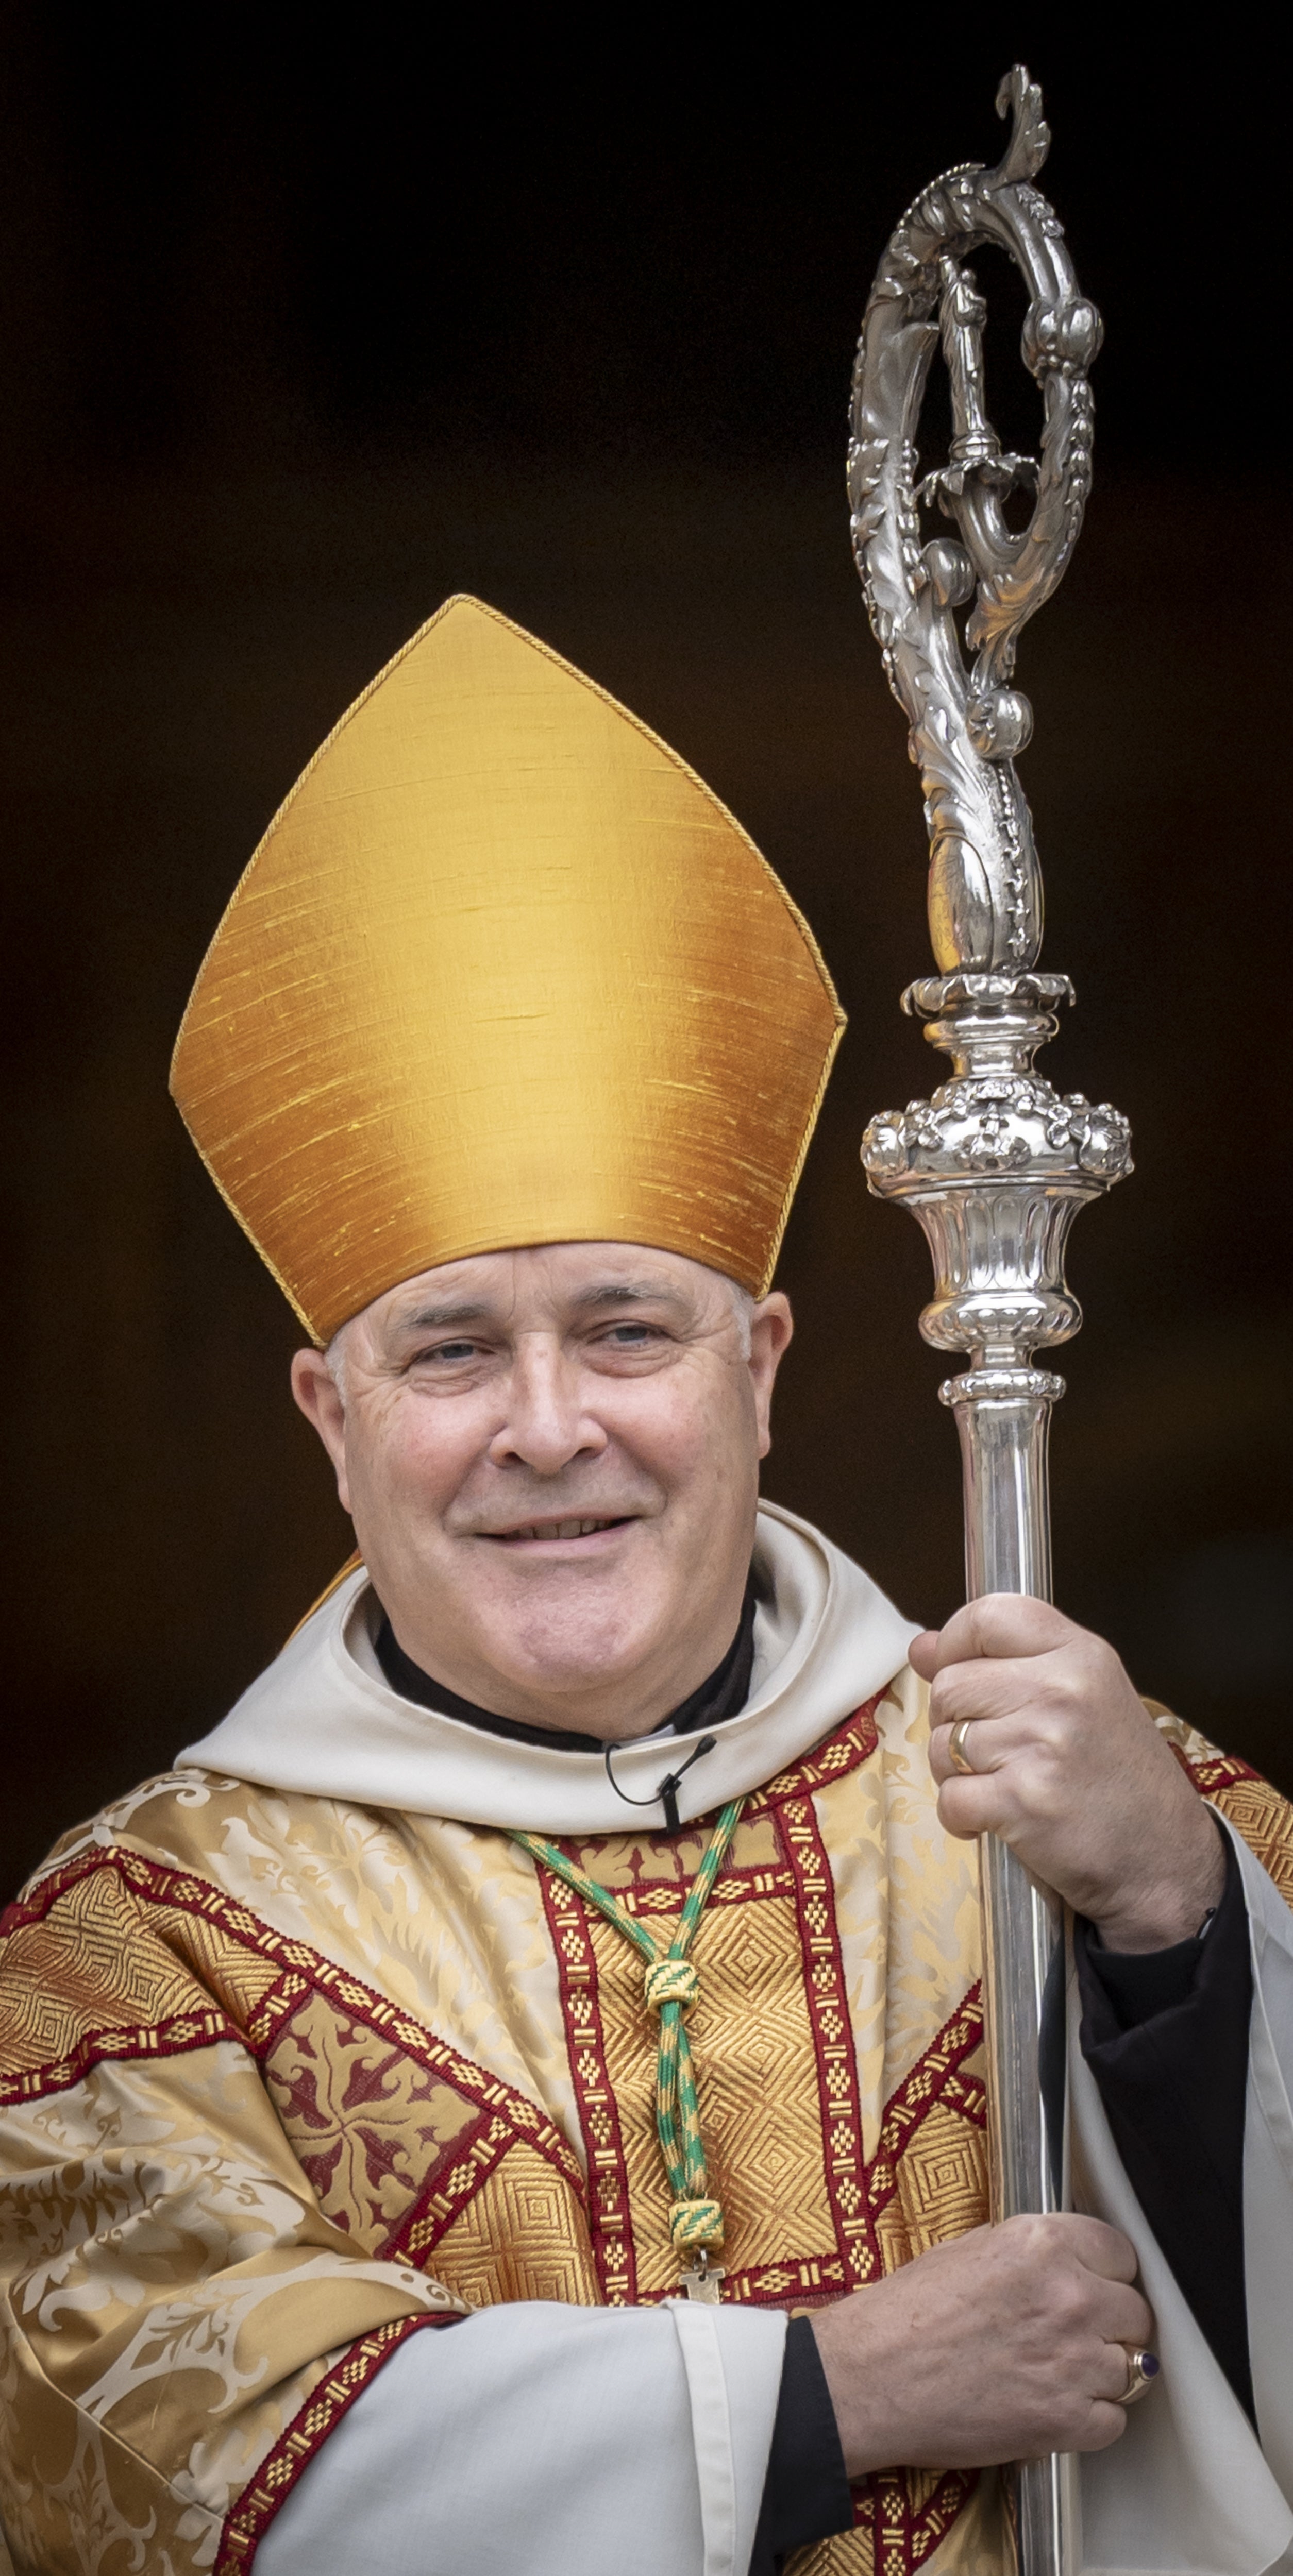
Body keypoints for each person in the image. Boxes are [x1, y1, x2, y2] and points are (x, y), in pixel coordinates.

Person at [2, 595, 1291, 2576]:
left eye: (625, 1332)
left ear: (761, 1372)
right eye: (448, 1354)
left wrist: (1180, 1936)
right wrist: (825, 2390)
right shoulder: (137, 1953)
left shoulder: (1067, 1803)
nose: (546, 1428)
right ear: (323, 1414)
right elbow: (161, 2467)